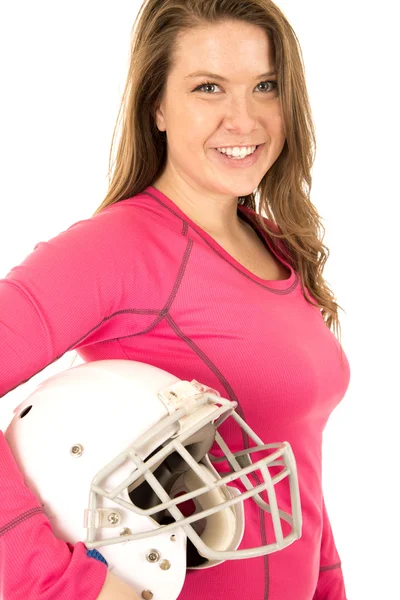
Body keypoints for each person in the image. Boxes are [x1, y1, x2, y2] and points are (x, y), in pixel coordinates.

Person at [0, 0, 351, 599]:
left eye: (266, 86)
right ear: (157, 106)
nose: (244, 119)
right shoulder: (117, 248)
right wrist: (61, 582)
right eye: (208, 88)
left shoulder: (276, 246)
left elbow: (300, 475)